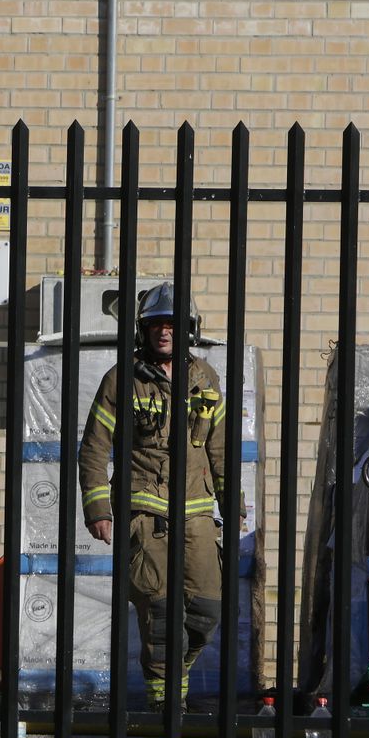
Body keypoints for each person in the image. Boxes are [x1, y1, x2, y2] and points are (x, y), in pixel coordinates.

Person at [78, 282, 227, 711]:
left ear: (188, 330)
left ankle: (175, 678)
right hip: (144, 513)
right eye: (157, 324)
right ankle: (166, 706)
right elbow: (94, 449)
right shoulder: (121, 379)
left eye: (173, 324)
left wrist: (232, 504)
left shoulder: (205, 378)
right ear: (143, 330)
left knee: (206, 610)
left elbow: (220, 447)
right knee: (161, 615)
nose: (164, 332)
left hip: (197, 514)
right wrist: (98, 509)